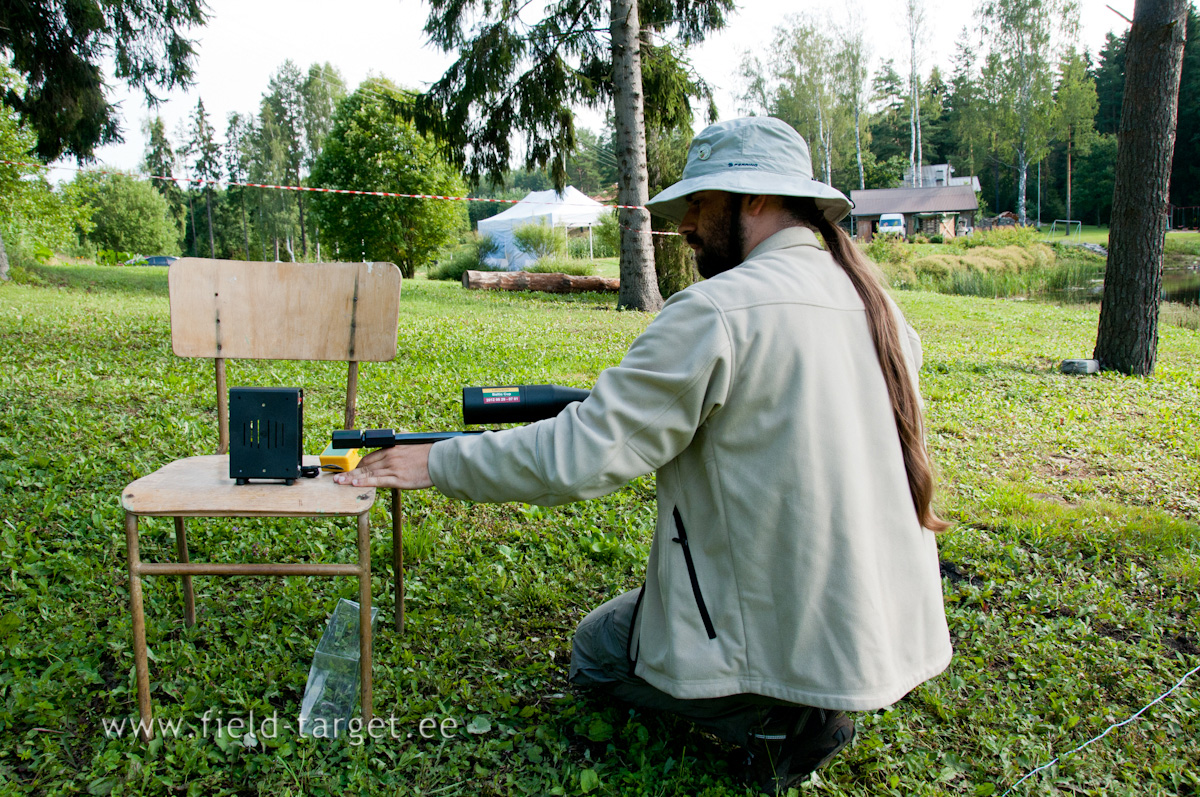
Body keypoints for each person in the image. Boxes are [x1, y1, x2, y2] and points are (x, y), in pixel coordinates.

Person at [335, 116, 953, 793]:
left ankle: (783, 714)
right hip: (881, 629)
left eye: (698, 202)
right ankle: (811, 692)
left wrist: (435, 461)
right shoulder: (883, 307)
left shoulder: (718, 311)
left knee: (595, 649)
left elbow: (581, 453)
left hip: (793, 625)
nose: (686, 223)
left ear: (752, 199)